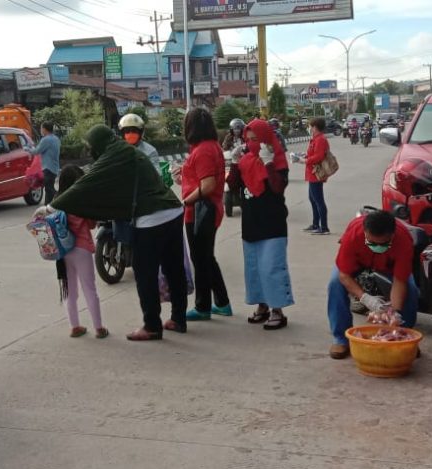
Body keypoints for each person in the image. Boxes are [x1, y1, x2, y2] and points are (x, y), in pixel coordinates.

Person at [50, 125, 187, 341]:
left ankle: (152, 326)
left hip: (151, 218)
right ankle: (178, 318)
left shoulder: (114, 155)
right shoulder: (127, 151)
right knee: (173, 268)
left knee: (145, 273)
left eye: (90, 147)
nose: (90, 151)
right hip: (173, 210)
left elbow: (86, 183)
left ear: (99, 144)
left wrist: (53, 207)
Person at [226, 119, 294, 330]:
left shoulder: (277, 160)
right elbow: (233, 185)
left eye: (256, 139)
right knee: (254, 268)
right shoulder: (246, 160)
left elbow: (277, 188)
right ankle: (262, 305)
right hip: (251, 221)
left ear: (266, 139)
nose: (252, 143)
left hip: (272, 223)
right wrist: (236, 163)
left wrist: (268, 163)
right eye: (249, 139)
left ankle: (278, 310)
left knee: (271, 267)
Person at [326, 210, 420, 359]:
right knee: (335, 285)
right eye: (371, 242)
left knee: (411, 290)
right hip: (358, 262)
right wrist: (366, 298)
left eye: (382, 243)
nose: (376, 246)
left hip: (388, 266)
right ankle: (340, 339)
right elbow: (344, 275)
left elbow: (400, 281)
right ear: (365, 233)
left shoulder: (403, 241)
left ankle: (403, 336)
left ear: (392, 235)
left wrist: (393, 313)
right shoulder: (353, 236)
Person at [180, 108, 232, 321]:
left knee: (200, 259)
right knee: (206, 258)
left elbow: (208, 185)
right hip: (209, 209)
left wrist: (186, 200)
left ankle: (203, 307)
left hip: (200, 211)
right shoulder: (212, 147)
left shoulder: (202, 151)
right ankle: (222, 302)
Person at [55, 165, 107, 339]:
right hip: (82, 248)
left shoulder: (56, 200)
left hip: (62, 252)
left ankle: (74, 326)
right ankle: (99, 328)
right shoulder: (80, 200)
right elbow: (92, 224)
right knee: (89, 289)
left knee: (69, 290)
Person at [303, 117, 331, 235]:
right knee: (313, 199)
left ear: (315, 127)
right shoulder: (315, 139)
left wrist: (305, 160)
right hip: (312, 173)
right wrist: (304, 156)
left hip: (316, 174)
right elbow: (313, 154)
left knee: (318, 200)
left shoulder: (320, 140)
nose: (309, 128)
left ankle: (324, 227)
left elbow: (318, 156)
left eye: (310, 126)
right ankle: (315, 224)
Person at [26, 122, 61, 205]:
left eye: (41, 128)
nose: (40, 130)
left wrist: (27, 149)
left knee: (49, 189)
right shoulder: (56, 139)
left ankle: (60, 199)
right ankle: (48, 206)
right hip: (55, 167)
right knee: (49, 188)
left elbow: (36, 151)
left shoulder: (46, 139)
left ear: (45, 129)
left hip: (48, 167)